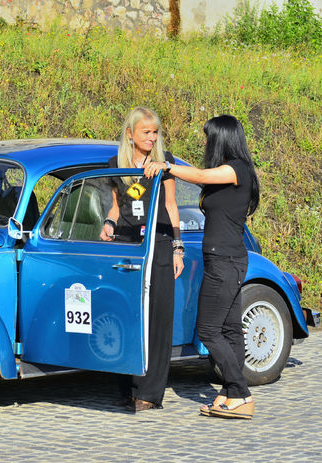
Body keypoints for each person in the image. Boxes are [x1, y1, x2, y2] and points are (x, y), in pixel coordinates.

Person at [144, 114, 260, 419]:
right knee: (231, 329)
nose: (205, 142)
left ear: (222, 138)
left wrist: (167, 166)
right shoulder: (230, 170)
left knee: (207, 330)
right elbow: (203, 177)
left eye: (209, 137)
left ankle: (242, 393)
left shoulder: (237, 169)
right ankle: (231, 393)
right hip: (225, 259)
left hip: (225, 261)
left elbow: (200, 177)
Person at [99, 106, 184, 412]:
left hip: (158, 246)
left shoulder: (165, 164)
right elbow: (116, 208)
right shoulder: (115, 165)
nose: (152, 137)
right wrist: (108, 225)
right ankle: (126, 388)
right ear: (130, 134)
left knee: (157, 320)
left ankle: (149, 392)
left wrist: (177, 248)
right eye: (145, 132)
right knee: (126, 317)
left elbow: (172, 206)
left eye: (155, 132)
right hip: (126, 247)